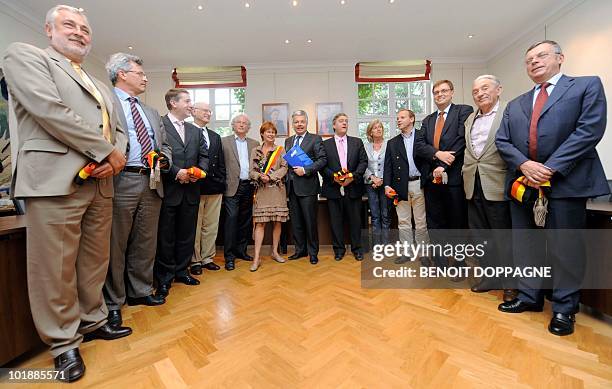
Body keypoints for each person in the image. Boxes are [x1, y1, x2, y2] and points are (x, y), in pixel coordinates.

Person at [2, 4, 130, 382]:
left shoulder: (97, 81)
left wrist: (115, 156)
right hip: (55, 179)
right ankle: (63, 343)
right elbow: (49, 109)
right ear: (48, 30)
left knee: (93, 262)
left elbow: (117, 129)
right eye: (69, 25)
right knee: (53, 267)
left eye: (85, 28)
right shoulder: (24, 56)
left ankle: (93, 321)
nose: (79, 32)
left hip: (102, 181)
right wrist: (106, 150)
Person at [495, 40, 609, 336]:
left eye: (541, 56)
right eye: (529, 58)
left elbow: (589, 130)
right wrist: (524, 166)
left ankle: (563, 308)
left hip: (567, 183)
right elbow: (503, 141)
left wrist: (549, 168)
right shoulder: (517, 104)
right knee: (526, 246)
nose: (533, 62)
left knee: (565, 248)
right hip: (524, 185)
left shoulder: (585, 86)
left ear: (560, 58)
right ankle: (529, 297)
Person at [103, 53, 170, 328]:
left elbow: (163, 144)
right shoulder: (105, 103)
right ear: (122, 74)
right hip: (121, 180)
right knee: (115, 243)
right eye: (139, 73)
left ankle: (140, 291)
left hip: (152, 181)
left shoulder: (151, 111)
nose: (145, 77)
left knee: (145, 241)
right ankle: (113, 302)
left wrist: (164, 159)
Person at [462, 75, 515, 302]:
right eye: (475, 91)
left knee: (502, 237)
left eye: (485, 88)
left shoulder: (509, 113)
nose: (480, 93)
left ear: (498, 89)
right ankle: (490, 277)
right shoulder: (470, 119)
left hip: (497, 183)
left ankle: (511, 284)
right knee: (481, 236)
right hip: (473, 185)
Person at [155, 89, 209, 299]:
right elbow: (157, 153)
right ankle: (165, 277)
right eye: (187, 101)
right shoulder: (159, 124)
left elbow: (203, 155)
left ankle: (181, 271)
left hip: (192, 190)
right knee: (166, 236)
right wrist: (177, 173)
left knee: (187, 235)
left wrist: (199, 172)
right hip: (169, 189)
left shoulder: (194, 130)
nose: (190, 105)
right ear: (173, 103)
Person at [414, 79, 473, 230]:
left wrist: (443, 166)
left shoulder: (463, 111)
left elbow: (461, 139)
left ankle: (458, 253)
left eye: (444, 91)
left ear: (452, 93)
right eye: (436, 92)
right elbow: (419, 145)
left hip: (454, 177)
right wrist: (437, 154)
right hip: (431, 179)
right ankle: (439, 253)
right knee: (434, 221)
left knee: (457, 220)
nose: (440, 94)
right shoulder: (428, 120)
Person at [321, 113, 368, 261]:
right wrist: (335, 178)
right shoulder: (325, 144)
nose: (344, 123)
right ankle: (339, 249)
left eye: (346, 121)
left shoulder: (357, 142)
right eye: (341, 121)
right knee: (336, 221)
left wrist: (352, 177)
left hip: (353, 187)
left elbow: (363, 162)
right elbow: (323, 166)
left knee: (355, 221)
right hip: (333, 188)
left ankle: (357, 249)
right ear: (334, 125)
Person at [383, 109, 428, 263]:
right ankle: (407, 252)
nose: (399, 120)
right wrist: (387, 185)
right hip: (400, 186)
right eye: (397, 118)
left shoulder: (423, 136)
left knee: (421, 221)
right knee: (403, 221)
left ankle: (424, 254)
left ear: (412, 119)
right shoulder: (392, 142)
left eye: (402, 117)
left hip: (419, 184)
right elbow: (387, 167)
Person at [284, 110, 327, 265]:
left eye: (302, 121)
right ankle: (300, 250)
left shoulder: (315, 139)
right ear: (293, 124)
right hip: (292, 188)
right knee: (296, 222)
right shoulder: (288, 141)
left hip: (308, 187)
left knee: (310, 222)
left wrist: (306, 170)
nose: (299, 124)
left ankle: (313, 253)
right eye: (296, 122)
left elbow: (322, 160)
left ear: (306, 122)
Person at [249, 121, 289, 271]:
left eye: (273, 132)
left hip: (277, 190)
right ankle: (256, 257)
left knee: (277, 222)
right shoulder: (255, 151)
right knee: (260, 223)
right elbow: (251, 171)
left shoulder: (281, 150)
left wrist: (271, 177)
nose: (271, 134)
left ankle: (275, 252)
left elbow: (285, 167)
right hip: (262, 191)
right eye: (268, 132)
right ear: (262, 134)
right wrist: (260, 176)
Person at [190, 102, 225, 275]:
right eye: (205, 110)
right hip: (194, 186)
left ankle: (207, 258)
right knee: (195, 225)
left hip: (214, 186)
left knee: (211, 225)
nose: (208, 113)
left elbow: (220, 163)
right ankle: (195, 260)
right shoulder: (187, 131)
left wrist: (221, 181)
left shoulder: (215, 136)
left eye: (210, 111)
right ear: (194, 111)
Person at [221, 113, 260, 270]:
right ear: (233, 125)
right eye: (238, 122)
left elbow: (258, 165)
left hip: (249, 186)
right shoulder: (223, 142)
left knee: (245, 220)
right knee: (231, 220)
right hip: (231, 187)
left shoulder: (255, 143)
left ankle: (241, 251)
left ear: (249, 127)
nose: (242, 124)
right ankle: (229, 257)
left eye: (245, 123)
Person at [364, 119, 390, 232]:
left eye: (380, 127)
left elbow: (392, 164)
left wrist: (382, 180)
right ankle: (377, 247)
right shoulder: (365, 147)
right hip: (370, 185)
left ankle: (386, 245)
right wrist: (373, 178)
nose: (378, 129)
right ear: (370, 132)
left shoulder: (390, 144)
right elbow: (362, 165)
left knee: (385, 215)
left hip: (386, 185)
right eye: (375, 127)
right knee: (375, 216)